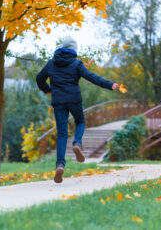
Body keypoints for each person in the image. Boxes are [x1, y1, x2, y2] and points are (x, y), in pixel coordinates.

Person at [36, 36, 119, 183]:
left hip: (58, 101)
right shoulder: (76, 63)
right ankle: (77, 143)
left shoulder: (51, 63)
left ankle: (60, 165)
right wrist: (109, 84)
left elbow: (39, 78)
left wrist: (47, 89)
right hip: (74, 99)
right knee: (80, 122)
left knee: (62, 133)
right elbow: (92, 77)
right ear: (74, 50)